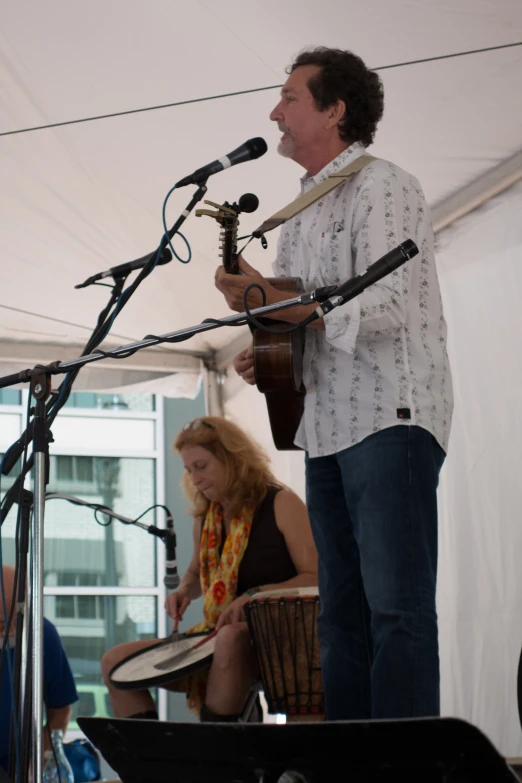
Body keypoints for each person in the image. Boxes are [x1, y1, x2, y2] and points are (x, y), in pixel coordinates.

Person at [215, 46, 453, 721]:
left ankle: (401, 769)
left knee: (395, 611)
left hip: (390, 420)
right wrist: (269, 340)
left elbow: (384, 307)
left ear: (335, 109)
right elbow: (305, 306)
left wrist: (270, 298)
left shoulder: (386, 186)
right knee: (338, 617)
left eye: (289, 98)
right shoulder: (302, 207)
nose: (275, 112)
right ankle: (346, 762)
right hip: (326, 425)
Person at [101, 416, 318, 722]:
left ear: (234, 459)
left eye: (202, 467)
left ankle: (214, 751)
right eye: (189, 471)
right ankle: (150, 763)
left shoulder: (281, 503)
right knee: (115, 662)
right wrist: (184, 592)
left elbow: (316, 577)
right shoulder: (206, 517)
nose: (195, 479)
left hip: (277, 638)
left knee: (228, 638)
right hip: (217, 636)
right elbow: (196, 574)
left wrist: (255, 596)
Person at [0, 564, 78, 775]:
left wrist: (37, 763)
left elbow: (60, 711)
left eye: (14, 620)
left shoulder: (43, 635)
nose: (8, 630)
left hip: (20, 764)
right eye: (0, 623)